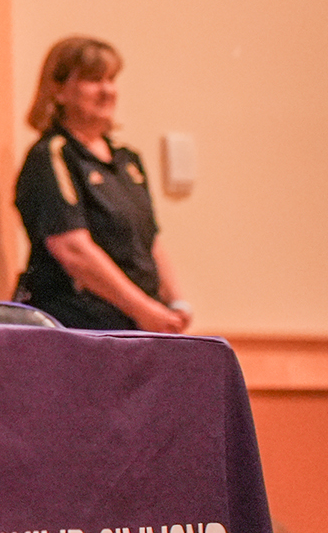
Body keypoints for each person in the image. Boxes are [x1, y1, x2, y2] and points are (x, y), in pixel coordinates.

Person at [12, 36, 193, 332]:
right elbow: (72, 248)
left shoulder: (127, 160)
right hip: (78, 330)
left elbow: (151, 241)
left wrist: (175, 303)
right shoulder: (52, 156)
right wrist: (144, 310)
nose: (107, 90)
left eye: (111, 79)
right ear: (58, 91)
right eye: (93, 80)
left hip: (135, 326)